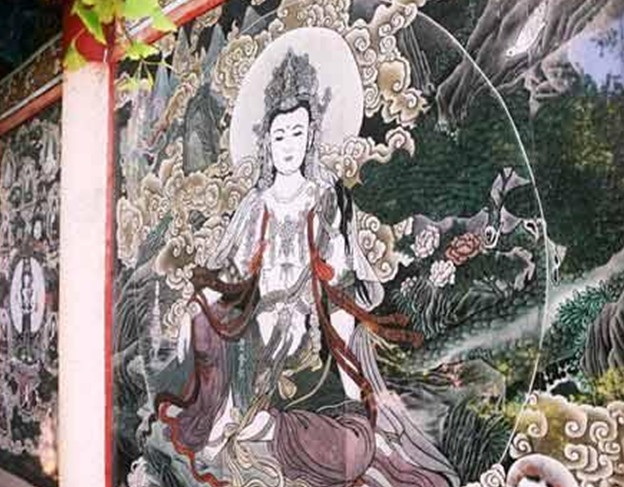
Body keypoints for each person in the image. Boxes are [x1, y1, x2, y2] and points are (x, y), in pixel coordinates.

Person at [153, 48, 460, 487]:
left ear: (311, 136)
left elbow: (338, 274)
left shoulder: (324, 197)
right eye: (279, 136)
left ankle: (280, 427)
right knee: (205, 319)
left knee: (352, 451)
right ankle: (231, 416)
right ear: (266, 141)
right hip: (256, 324)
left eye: (297, 133)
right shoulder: (255, 205)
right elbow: (232, 273)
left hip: (311, 328)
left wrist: (317, 317)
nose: (288, 146)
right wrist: (199, 305)